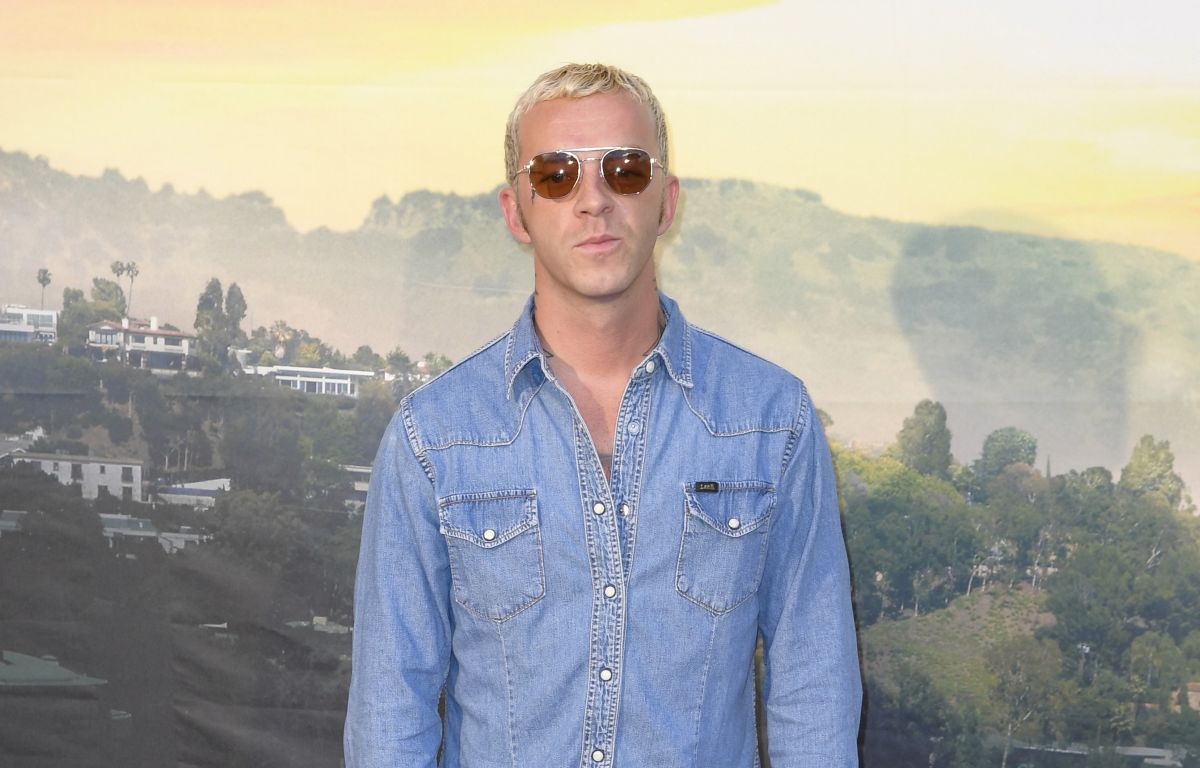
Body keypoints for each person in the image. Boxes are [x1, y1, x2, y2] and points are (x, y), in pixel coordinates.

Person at [344, 63, 861, 767]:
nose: (594, 200)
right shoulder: (431, 437)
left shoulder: (774, 421)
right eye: (556, 175)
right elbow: (390, 712)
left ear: (666, 203)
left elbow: (815, 692)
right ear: (515, 213)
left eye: (625, 170)